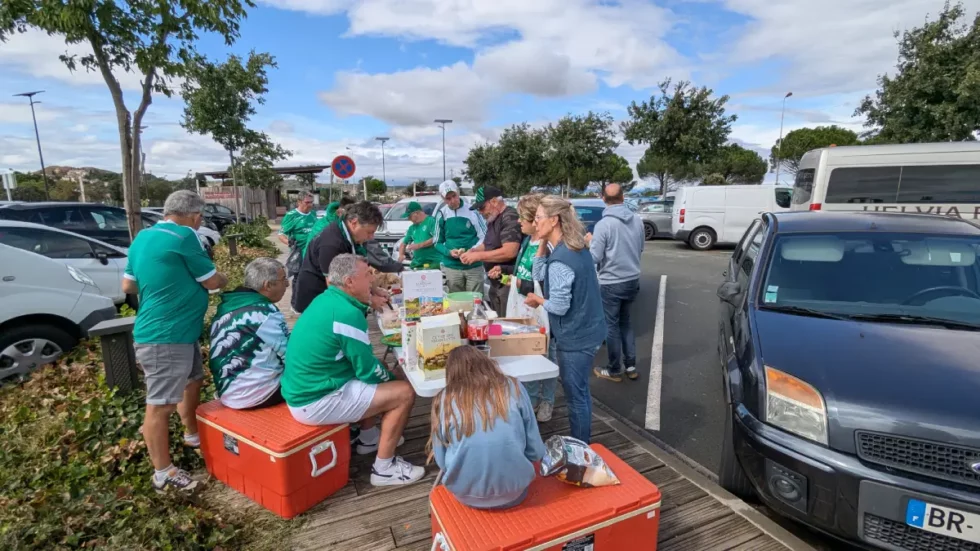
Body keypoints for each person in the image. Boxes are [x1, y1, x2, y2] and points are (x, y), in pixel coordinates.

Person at [282, 254, 425, 487]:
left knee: (384, 370)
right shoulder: (346, 314)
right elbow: (368, 371)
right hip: (314, 399)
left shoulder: (329, 300)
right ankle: (384, 469)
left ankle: (369, 438)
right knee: (404, 392)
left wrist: (384, 373)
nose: (372, 279)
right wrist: (392, 379)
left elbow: (363, 365)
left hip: (307, 389)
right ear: (349, 282)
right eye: (367, 274)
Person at [121, 190, 228, 493]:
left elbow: (128, 283)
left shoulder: (142, 237)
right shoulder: (185, 236)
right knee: (160, 405)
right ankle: (163, 472)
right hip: (164, 337)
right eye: (200, 218)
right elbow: (210, 280)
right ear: (196, 216)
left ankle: (192, 435)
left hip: (178, 332)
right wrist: (223, 280)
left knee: (192, 380)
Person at [525, 196, 606, 443]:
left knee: (577, 395)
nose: (534, 222)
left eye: (538, 218)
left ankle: (581, 448)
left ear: (554, 220)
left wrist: (538, 301)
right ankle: (581, 443)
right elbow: (538, 273)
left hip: (576, 336)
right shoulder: (573, 247)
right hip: (588, 329)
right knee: (579, 391)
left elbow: (559, 306)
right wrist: (541, 243)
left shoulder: (562, 259)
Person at [426, 346, 546, 509]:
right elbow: (536, 450)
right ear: (486, 363)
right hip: (515, 491)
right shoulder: (513, 386)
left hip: (466, 494)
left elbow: (441, 460)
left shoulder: (444, 399)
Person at [493, 193, 555, 422]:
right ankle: (530, 398)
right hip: (523, 307)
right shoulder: (529, 240)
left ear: (535, 220)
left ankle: (547, 399)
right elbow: (523, 271)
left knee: (547, 355)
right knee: (525, 353)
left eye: (523, 218)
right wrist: (506, 271)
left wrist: (518, 282)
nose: (519, 222)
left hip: (541, 311)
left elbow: (547, 284)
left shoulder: (548, 245)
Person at [209, 258, 290, 409]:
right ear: (267, 285)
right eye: (283, 279)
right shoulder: (265, 313)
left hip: (228, 392)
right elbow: (292, 355)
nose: (287, 284)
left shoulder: (227, 306)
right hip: (258, 395)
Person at [587, 183, 645, 383]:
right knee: (626, 323)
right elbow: (641, 248)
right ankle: (630, 365)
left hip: (611, 282)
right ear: (623, 197)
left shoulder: (604, 225)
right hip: (632, 279)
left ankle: (614, 369)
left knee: (611, 327)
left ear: (603, 198)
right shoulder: (637, 220)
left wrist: (589, 242)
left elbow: (594, 257)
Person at [294, 201, 389, 313]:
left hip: (333, 297)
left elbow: (361, 271)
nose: (371, 237)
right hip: (317, 298)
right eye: (369, 232)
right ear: (354, 223)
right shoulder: (332, 244)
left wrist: (374, 290)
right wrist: (370, 301)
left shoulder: (349, 233)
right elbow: (334, 286)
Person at [462, 186, 521, 317]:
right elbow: (488, 244)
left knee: (506, 325)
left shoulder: (509, 217)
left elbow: (510, 251)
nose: (480, 212)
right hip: (495, 282)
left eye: (482, 208)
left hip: (507, 283)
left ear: (494, 202)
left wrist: (478, 256)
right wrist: (472, 251)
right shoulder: (492, 219)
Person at [432, 180, 486, 295]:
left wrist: (472, 251)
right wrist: (448, 252)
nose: (452, 200)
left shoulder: (473, 211)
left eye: (454, 196)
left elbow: (484, 236)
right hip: (452, 267)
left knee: (475, 301)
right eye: (448, 198)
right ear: (443, 199)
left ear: (458, 192)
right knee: (457, 303)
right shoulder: (441, 214)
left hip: (473, 265)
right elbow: (437, 242)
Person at [278, 192, 317, 311]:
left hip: (312, 251)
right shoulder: (291, 215)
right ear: (299, 202)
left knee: (311, 278)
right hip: (299, 252)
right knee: (298, 278)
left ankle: (309, 302)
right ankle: (295, 304)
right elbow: (281, 234)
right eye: (307, 202)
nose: (310, 205)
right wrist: (289, 243)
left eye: (311, 202)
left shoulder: (313, 214)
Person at [399, 201, 443, 270]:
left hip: (433, 264)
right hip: (418, 264)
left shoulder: (431, 222)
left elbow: (436, 238)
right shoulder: (412, 228)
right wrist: (401, 255)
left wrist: (418, 245)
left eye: (409, 216)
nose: (408, 219)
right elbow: (403, 244)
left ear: (416, 213)